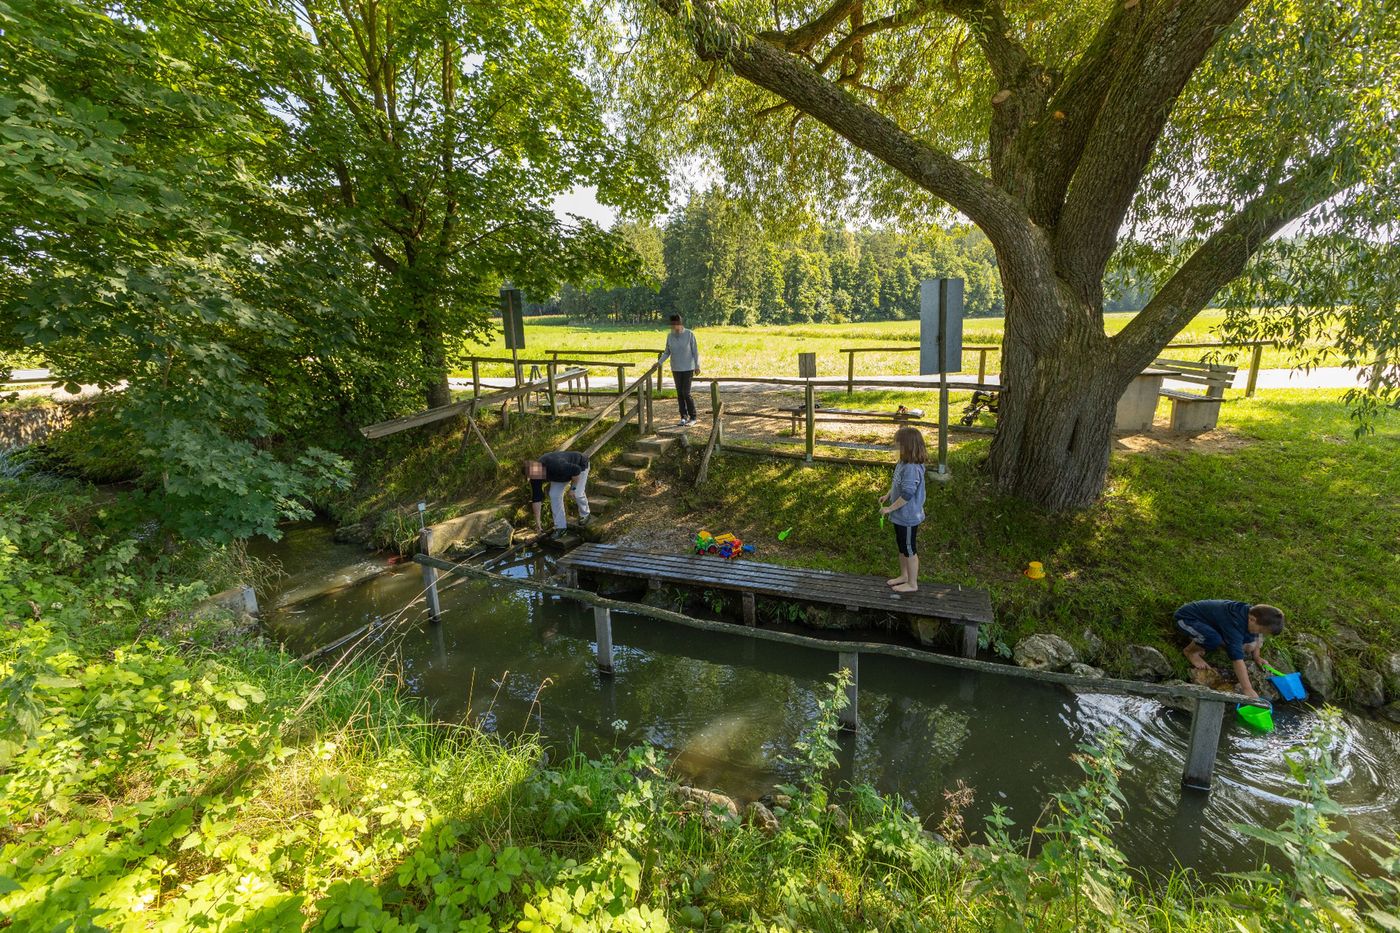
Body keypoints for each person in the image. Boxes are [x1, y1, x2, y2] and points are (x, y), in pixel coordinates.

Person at [1175, 600, 1284, 698]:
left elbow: (1256, 637)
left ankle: (1214, 640)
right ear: (1252, 619)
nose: (1260, 634)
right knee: (1213, 639)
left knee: (1250, 644)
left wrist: (1257, 657)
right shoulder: (1234, 623)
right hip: (1188, 619)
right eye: (1260, 630)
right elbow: (1237, 659)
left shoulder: (1253, 615)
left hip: (1211, 622)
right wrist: (1247, 689)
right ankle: (1191, 652)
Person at [879, 426, 928, 594]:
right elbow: (898, 484)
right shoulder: (903, 463)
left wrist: (889, 509)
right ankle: (904, 576)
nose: (895, 447)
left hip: (908, 517)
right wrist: (888, 495)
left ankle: (912, 583)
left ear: (907, 446)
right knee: (902, 548)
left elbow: (907, 494)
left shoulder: (912, 468)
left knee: (909, 549)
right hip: (900, 515)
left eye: (898, 444)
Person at [523, 451, 590, 534]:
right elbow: (536, 499)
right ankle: (560, 527)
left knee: (577, 493)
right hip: (562, 474)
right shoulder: (534, 474)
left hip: (580, 465)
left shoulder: (555, 465)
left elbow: (576, 470)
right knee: (554, 494)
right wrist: (538, 524)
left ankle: (585, 514)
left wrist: (573, 488)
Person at [659, 313, 701, 427]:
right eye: (672, 325)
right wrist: (659, 362)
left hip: (688, 368)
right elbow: (667, 352)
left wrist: (697, 365)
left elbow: (695, 351)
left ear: (680, 324)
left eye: (675, 325)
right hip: (676, 368)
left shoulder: (689, 334)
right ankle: (683, 417)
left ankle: (693, 417)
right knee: (679, 394)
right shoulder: (670, 336)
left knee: (686, 393)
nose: (673, 328)